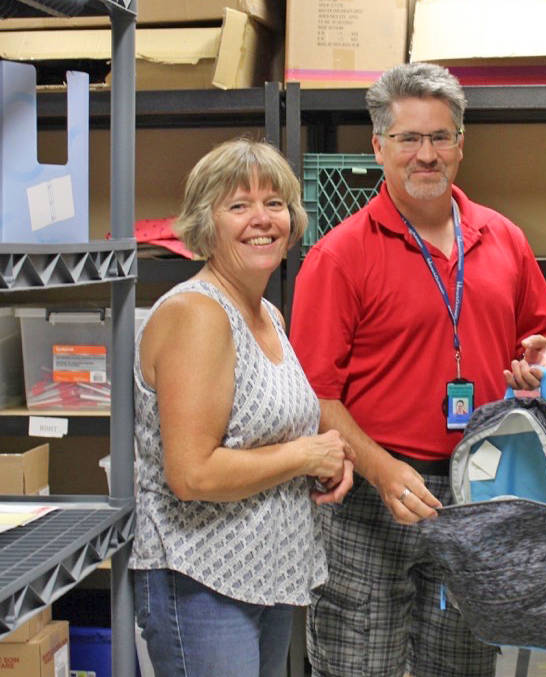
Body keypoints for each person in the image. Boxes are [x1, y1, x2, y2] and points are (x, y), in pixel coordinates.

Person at [289, 62, 546, 677]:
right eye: (408, 139)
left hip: (480, 487)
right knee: (357, 663)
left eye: (440, 137)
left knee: (463, 663)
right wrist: (385, 472)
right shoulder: (339, 256)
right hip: (370, 495)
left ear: (460, 146)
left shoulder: (503, 239)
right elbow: (315, 396)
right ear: (379, 147)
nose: (426, 154)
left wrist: (542, 357)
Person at [130, 138, 354, 677]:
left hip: (266, 572)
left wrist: (328, 462)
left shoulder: (266, 314)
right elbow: (193, 474)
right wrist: (304, 457)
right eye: (239, 205)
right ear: (206, 224)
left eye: (274, 203)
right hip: (200, 579)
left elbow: (273, 434)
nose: (262, 219)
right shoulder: (197, 314)